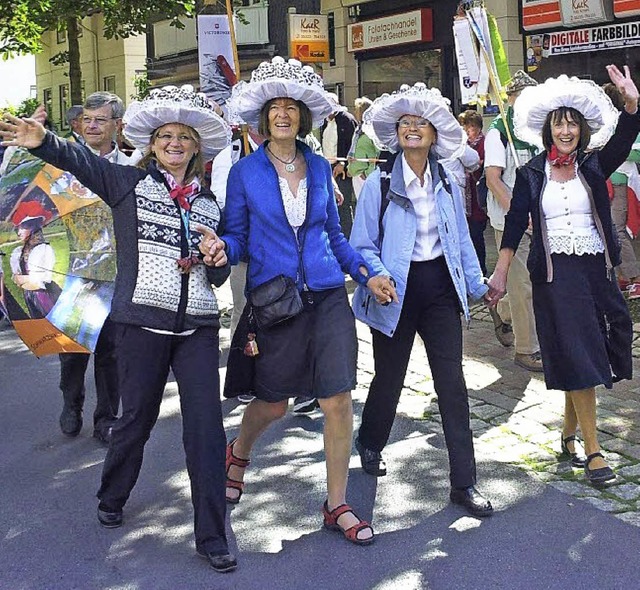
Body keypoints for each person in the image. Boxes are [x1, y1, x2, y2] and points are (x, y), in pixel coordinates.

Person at [1, 84, 238, 572]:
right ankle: (112, 495)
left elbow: (217, 273)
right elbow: (79, 162)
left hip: (197, 328)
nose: (174, 144)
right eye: (165, 136)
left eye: (184, 138)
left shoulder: (210, 203)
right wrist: (40, 139)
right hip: (140, 326)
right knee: (135, 421)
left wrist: (219, 254)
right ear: (151, 145)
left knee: (207, 432)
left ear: (196, 148)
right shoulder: (127, 184)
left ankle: (213, 535)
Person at [217, 56, 393, 545]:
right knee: (274, 404)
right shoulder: (244, 173)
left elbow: (335, 236)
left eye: (292, 107)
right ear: (263, 117)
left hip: (328, 297)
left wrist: (366, 272)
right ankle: (239, 451)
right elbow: (236, 237)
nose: (283, 114)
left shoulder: (319, 167)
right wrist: (218, 247)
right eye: (275, 107)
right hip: (276, 302)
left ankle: (336, 503)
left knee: (337, 399)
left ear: (302, 117)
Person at [487, 65, 638, 486]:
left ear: (582, 129)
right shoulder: (533, 172)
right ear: (547, 129)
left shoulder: (592, 165)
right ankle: (594, 451)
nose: (566, 130)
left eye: (572, 123)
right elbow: (515, 223)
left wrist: (630, 104)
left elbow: (625, 139)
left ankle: (568, 432)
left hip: (595, 270)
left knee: (592, 349)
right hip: (555, 275)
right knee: (578, 349)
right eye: (559, 123)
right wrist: (500, 275)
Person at [350, 82, 494, 517]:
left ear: (434, 134)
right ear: (397, 134)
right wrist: (375, 275)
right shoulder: (377, 181)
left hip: (440, 288)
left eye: (421, 124)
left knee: (452, 385)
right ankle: (371, 442)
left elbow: (462, 241)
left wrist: (478, 285)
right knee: (389, 379)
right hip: (394, 289)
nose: (413, 129)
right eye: (406, 124)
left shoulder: (448, 179)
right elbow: (361, 243)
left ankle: (464, 483)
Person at [57, 92, 132, 443]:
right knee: (72, 348)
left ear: (118, 125)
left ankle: (106, 418)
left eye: (100, 120)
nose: (91, 125)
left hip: (116, 272)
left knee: (110, 351)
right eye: (87, 119)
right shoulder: (65, 164)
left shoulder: (129, 168)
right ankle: (71, 404)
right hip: (74, 270)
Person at [485, 71, 542, 366]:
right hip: (510, 221)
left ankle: (502, 307)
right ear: (510, 99)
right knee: (523, 285)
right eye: (520, 97)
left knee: (531, 281)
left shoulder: (536, 127)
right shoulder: (499, 131)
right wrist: (520, 214)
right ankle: (525, 349)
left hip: (538, 220)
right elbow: (494, 179)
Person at [602, 82, 640, 300]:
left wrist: (615, 150)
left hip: (622, 183)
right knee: (610, 230)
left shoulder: (625, 121)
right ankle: (624, 274)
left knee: (619, 232)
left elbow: (636, 152)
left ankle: (635, 277)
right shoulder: (605, 123)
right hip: (607, 184)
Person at [9, 200, 61, 318]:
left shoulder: (43, 249)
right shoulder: (18, 252)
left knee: (49, 322)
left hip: (45, 296)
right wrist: (25, 280)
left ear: (31, 228)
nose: (19, 233)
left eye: (21, 228)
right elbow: (17, 279)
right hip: (30, 296)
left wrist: (25, 279)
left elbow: (40, 281)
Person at [321, 93, 357, 238]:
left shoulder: (346, 120)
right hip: (328, 166)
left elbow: (352, 144)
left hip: (342, 168)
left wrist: (343, 163)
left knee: (343, 203)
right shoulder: (324, 122)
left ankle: (347, 236)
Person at [458, 109, 489, 275]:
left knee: (477, 237)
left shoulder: (484, 143)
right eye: (464, 127)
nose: (467, 131)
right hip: (465, 198)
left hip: (478, 200)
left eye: (469, 127)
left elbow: (483, 166)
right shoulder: (464, 145)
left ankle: (481, 271)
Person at [347, 97, 379, 200]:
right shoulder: (358, 130)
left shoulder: (372, 131)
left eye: (357, 110)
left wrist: (367, 173)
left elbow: (377, 153)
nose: (355, 112)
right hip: (356, 174)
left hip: (365, 177)